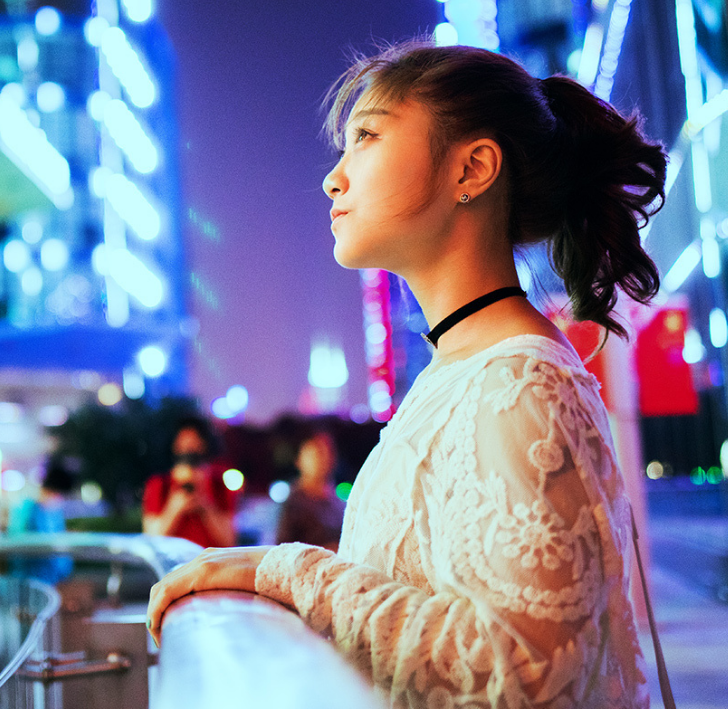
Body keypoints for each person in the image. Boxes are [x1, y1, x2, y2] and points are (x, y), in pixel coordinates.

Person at [147, 42, 667, 709]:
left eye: (366, 136)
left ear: (472, 168)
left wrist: (288, 571)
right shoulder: (462, 373)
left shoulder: (521, 384)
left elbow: (528, 670)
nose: (333, 179)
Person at [142, 414, 237, 548]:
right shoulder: (159, 484)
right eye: (184, 442)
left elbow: (229, 542)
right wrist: (175, 508)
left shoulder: (219, 485)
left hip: (208, 559)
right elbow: (151, 540)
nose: (189, 447)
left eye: (194, 442)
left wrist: (206, 505)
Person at [276, 431, 345, 551]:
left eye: (327, 453)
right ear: (298, 460)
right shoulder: (294, 503)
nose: (322, 460)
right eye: (316, 454)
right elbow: (283, 550)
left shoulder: (338, 501)